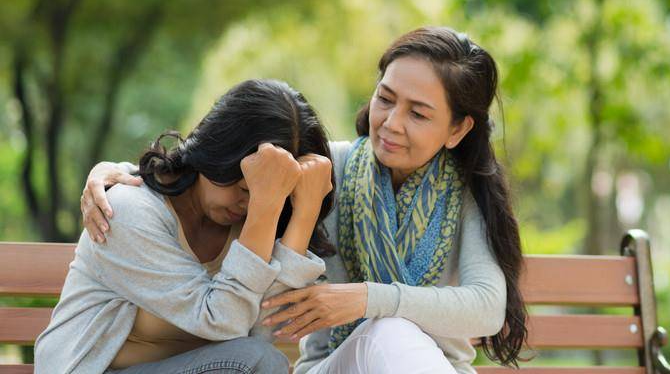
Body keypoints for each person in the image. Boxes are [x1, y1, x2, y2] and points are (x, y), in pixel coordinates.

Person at [82, 27, 527, 373]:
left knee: (390, 328)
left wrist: (366, 299)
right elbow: (225, 154)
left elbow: (488, 308)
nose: (391, 123)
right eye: (385, 99)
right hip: (335, 365)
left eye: (418, 113)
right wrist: (114, 173)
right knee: (387, 333)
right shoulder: (327, 169)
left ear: (458, 129)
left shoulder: (466, 195)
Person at [41, 79, 335, 373]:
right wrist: (265, 206)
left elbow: (261, 331)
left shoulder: (253, 221)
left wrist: (304, 214)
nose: (248, 206)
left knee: (261, 357)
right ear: (218, 153)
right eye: (246, 190)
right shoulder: (126, 211)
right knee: (260, 361)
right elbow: (224, 322)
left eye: (273, 198)